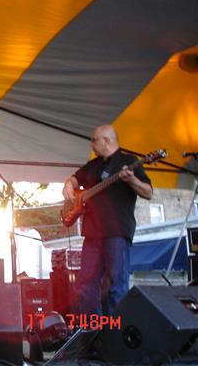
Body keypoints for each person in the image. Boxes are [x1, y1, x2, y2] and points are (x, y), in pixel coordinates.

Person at [62, 124, 153, 317]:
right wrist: (68, 184)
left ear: (107, 140)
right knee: (85, 286)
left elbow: (148, 192)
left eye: (94, 140)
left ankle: (115, 332)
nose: (91, 144)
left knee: (115, 286)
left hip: (116, 233)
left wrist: (132, 180)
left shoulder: (129, 161)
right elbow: (76, 178)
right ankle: (90, 331)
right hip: (91, 234)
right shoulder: (93, 165)